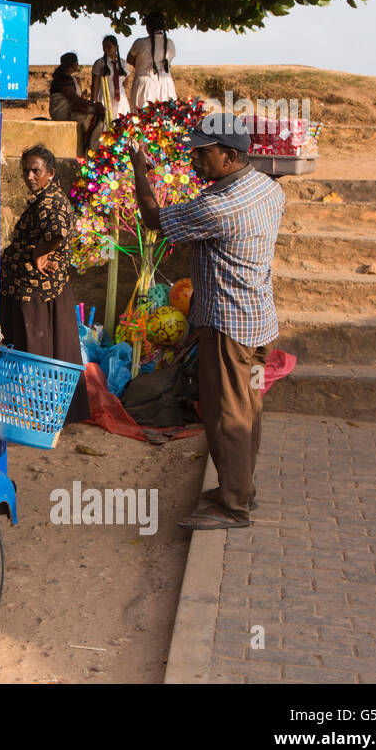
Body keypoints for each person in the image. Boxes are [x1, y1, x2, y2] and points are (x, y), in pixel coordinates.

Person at [130, 113, 284, 530]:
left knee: (226, 414)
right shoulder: (267, 188)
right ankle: (240, 490)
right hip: (258, 321)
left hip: (228, 329)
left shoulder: (218, 206)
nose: (196, 159)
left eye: (203, 153)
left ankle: (232, 506)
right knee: (248, 408)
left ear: (229, 155)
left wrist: (139, 171)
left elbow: (153, 219)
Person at [0, 145, 91, 424]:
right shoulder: (45, 198)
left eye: (36, 171)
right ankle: (46, 412)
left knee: (35, 354)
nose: (29, 176)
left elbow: (57, 232)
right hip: (37, 290)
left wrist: (41, 252)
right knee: (48, 351)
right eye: (26, 170)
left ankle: (36, 415)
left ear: (50, 173)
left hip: (35, 292)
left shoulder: (50, 201)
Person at [48, 53, 104, 151]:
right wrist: (93, 106)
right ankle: (92, 149)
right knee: (94, 118)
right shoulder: (63, 78)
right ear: (73, 64)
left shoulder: (68, 78)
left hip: (70, 109)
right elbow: (74, 99)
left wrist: (93, 105)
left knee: (98, 112)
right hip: (63, 113)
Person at [127, 12, 175, 108]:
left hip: (144, 86)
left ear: (147, 27)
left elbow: (130, 59)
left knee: (142, 119)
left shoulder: (140, 43)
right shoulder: (169, 43)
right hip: (165, 85)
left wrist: (140, 64)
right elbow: (168, 63)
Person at [91, 35, 130, 123]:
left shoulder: (123, 63)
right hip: (104, 96)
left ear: (116, 47)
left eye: (109, 47)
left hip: (120, 97)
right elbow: (95, 83)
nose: (106, 49)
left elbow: (126, 81)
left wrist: (119, 91)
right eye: (104, 47)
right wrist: (94, 100)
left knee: (121, 120)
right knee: (106, 121)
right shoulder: (100, 63)